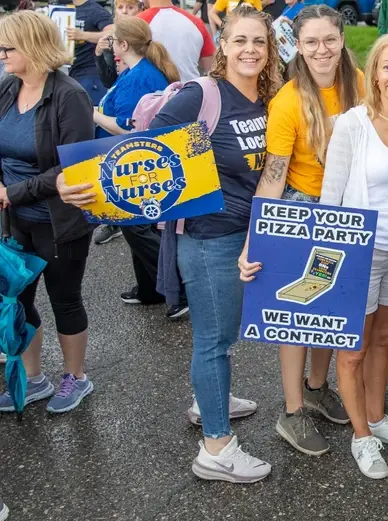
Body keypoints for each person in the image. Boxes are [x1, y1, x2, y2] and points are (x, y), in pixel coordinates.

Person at [64, 5, 283, 482]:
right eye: (240, 40)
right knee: (212, 340)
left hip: (248, 235)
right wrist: (81, 185)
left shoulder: (268, 99)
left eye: (259, 42)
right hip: (209, 239)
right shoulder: (201, 94)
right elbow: (144, 150)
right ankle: (217, 449)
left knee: (222, 335)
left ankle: (211, 404)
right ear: (222, 45)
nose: (250, 50)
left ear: (270, 50)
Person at [239, 4, 361, 457]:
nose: (322, 49)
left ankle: (315, 387)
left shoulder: (362, 84)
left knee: (331, 307)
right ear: (299, 47)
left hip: (350, 208)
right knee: (296, 312)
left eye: (329, 39)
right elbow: (273, 176)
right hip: (302, 209)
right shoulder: (287, 101)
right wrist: (254, 240)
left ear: (342, 39)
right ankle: (291, 411)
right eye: (311, 42)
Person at [306, 32, 388, 479]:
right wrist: (328, 264)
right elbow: (330, 200)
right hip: (359, 252)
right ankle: (362, 436)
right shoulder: (351, 125)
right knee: (353, 349)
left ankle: (377, 416)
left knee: (383, 341)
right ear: (374, 72)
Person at [0, 11, 96, 415]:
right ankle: (34, 377)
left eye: (8, 47)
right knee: (18, 298)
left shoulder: (69, 95)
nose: (2, 54)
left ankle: (76, 376)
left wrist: (14, 192)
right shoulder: (7, 88)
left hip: (59, 219)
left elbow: (72, 169)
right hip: (14, 215)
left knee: (64, 298)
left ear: (33, 47)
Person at [90, 17, 190, 320]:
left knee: (137, 227)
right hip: (133, 158)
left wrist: (93, 115)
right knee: (136, 227)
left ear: (122, 45)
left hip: (136, 159)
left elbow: (127, 126)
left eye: (113, 42)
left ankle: (178, 288)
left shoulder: (140, 77)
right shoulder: (139, 71)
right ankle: (150, 289)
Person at [91, 0, 146, 248]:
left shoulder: (138, 71)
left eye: (130, 7)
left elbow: (127, 127)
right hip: (122, 149)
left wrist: (93, 113)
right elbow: (110, 82)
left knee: (142, 236)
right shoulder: (130, 67)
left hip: (130, 153)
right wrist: (101, 55)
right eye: (120, 8)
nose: (124, 12)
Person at [139, 0, 215, 81]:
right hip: (190, 89)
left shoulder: (137, 23)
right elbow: (212, 67)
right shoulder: (196, 22)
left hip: (150, 90)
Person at [63, 0, 114, 105]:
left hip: (91, 76)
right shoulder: (64, 8)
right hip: (72, 72)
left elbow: (112, 34)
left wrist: (82, 35)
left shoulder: (95, 10)